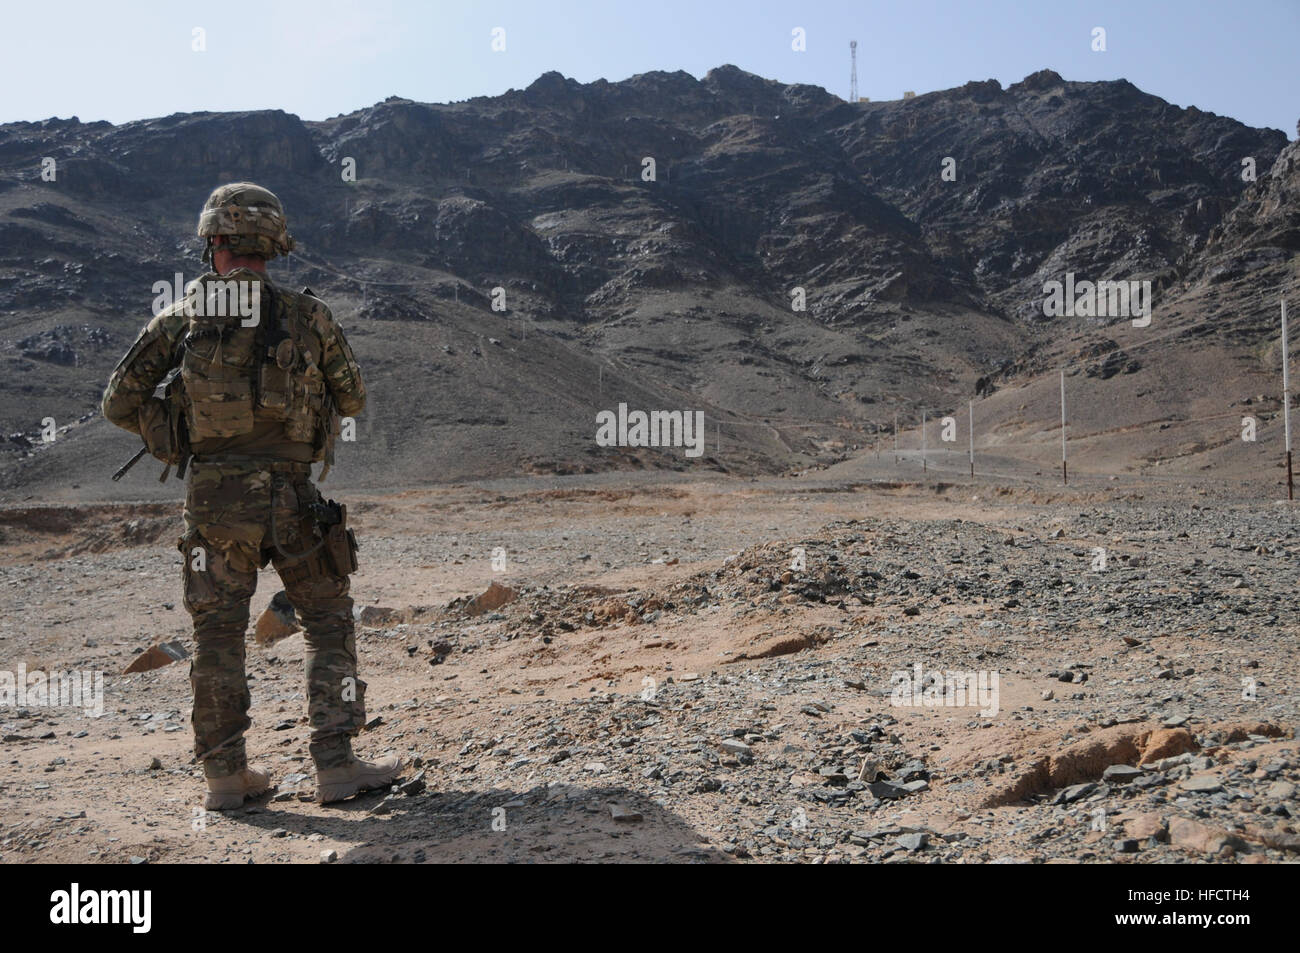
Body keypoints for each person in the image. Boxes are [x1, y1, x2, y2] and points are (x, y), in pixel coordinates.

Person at [102, 182, 400, 809]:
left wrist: (174, 430)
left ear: (213, 243)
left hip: (213, 503)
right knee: (325, 624)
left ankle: (226, 779)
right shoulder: (310, 316)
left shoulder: (181, 317)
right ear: (274, 245)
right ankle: (337, 766)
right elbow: (354, 400)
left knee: (217, 635)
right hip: (294, 499)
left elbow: (118, 402)